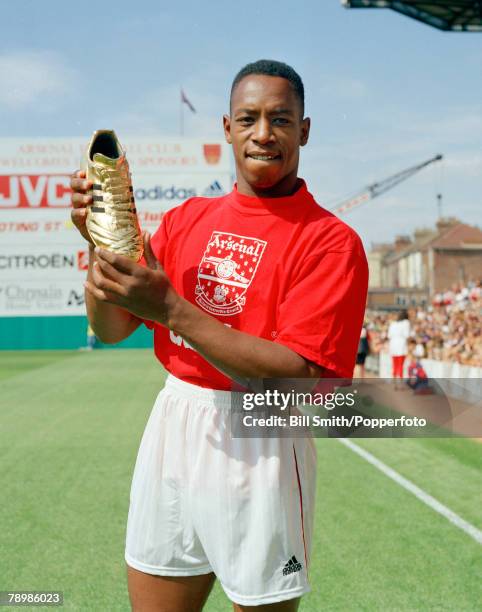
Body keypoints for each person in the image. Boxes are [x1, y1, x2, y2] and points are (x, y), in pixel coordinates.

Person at [70, 59, 368, 611]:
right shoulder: (187, 219)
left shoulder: (331, 241)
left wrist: (173, 310)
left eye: (281, 119)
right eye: (248, 118)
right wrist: (100, 244)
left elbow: (299, 378)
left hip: (263, 435)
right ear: (226, 128)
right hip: (176, 421)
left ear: (304, 130)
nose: (263, 133)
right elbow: (111, 327)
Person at [388, 309, 410, 389]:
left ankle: (394, 383)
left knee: (395, 366)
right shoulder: (406, 323)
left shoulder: (393, 323)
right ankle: (400, 384)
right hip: (401, 346)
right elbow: (407, 335)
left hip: (393, 346)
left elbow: (389, 335)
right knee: (400, 366)